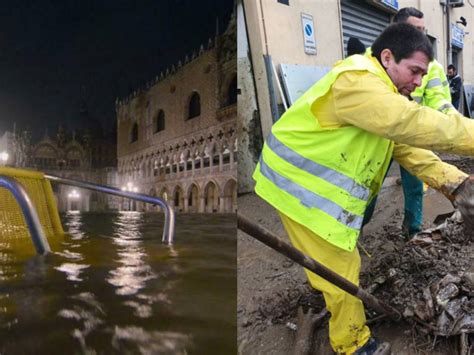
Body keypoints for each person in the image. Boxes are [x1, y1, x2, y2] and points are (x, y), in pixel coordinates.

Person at [253, 23, 474, 354]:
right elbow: (412, 124)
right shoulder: (358, 80)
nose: (418, 82)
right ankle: (352, 343)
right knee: (343, 267)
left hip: (302, 184)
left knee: (333, 263)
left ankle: (323, 288)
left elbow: (406, 148)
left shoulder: (381, 92)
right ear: (387, 58)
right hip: (298, 186)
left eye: (422, 75)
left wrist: (456, 183)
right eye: (414, 71)